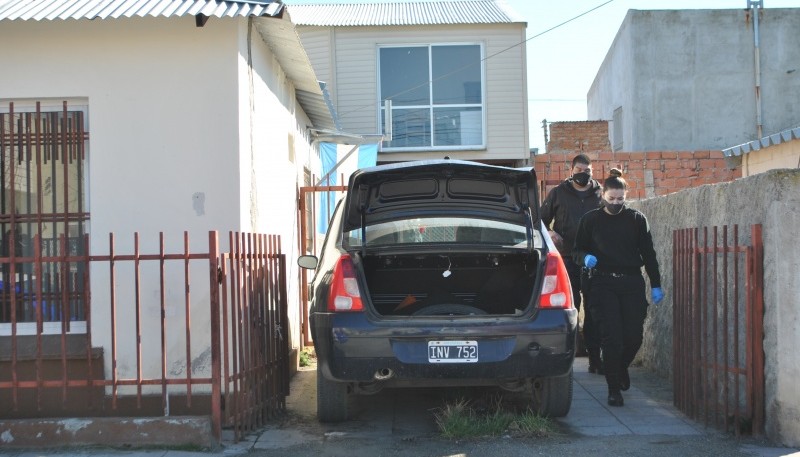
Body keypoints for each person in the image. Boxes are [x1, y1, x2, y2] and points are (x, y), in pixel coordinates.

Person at [573, 168, 664, 407]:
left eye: (620, 199)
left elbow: (649, 254)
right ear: (603, 195)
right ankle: (614, 389)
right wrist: (584, 258)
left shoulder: (636, 220)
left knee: (633, 337)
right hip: (602, 284)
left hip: (631, 282)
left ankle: (620, 367)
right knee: (612, 338)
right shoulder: (590, 220)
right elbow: (576, 250)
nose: (616, 203)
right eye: (611, 199)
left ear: (626, 196)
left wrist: (656, 284)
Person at [540, 154, 604, 373]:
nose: (583, 174)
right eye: (579, 169)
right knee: (571, 308)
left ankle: (595, 359)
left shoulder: (600, 193)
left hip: (594, 261)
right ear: (571, 170)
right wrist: (549, 231)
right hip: (567, 259)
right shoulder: (558, 193)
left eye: (587, 171)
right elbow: (539, 219)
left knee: (595, 309)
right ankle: (570, 357)